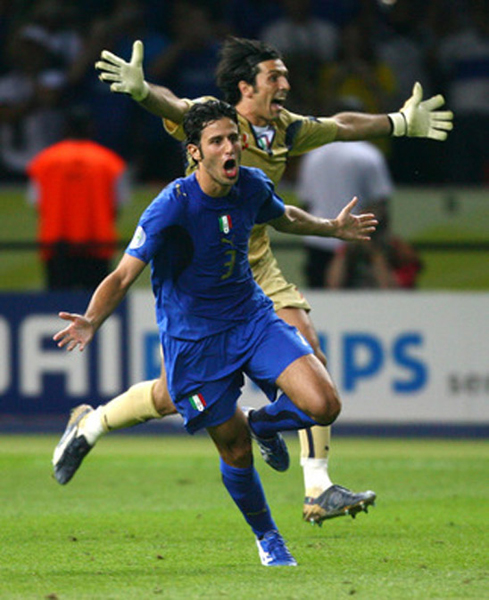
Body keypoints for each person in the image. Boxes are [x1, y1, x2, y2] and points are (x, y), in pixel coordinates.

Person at [67, 36, 453, 526]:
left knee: (311, 358)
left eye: (286, 75)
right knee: (171, 395)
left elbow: (340, 125)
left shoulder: (286, 129)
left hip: (256, 268)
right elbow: (174, 104)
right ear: (246, 87)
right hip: (201, 275)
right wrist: (143, 91)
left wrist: (397, 122)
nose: (286, 85)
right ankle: (92, 424)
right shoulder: (217, 121)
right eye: (275, 77)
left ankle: (318, 488)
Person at [52, 100, 378, 566]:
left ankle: (262, 423)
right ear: (195, 153)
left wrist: (333, 228)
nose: (231, 147)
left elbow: (284, 216)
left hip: (252, 319)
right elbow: (124, 275)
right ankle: (268, 538)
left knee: (324, 404)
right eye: (217, 141)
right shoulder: (173, 205)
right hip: (195, 342)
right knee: (234, 449)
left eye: (233, 138)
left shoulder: (250, 185)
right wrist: (91, 319)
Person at [26, 106, 129, 290]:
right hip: (98, 243)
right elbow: (119, 203)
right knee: (96, 307)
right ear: (90, 127)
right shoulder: (109, 161)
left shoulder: (45, 160)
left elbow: (36, 202)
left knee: (57, 306)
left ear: (65, 128)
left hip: (57, 245)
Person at [297, 134, 394, 288]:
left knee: (320, 305)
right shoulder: (368, 154)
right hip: (357, 241)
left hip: (318, 240)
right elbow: (379, 203)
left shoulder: (313, 154)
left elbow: (306, 203)